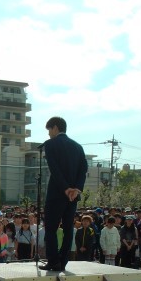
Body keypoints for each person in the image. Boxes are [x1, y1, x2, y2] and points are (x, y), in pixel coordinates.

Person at [40, 116, 88, 271]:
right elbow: (83, 169)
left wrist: (65, 188)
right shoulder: (78, 147)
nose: (49, 134)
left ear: (55, 127)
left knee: (51, 228)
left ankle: (53, 261)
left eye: (49, 130)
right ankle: (63, 261)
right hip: (73, 196)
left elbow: (54, 169)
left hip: (57, 193)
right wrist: (76, 189)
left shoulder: (50, 144)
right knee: (68, 229)